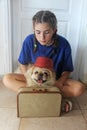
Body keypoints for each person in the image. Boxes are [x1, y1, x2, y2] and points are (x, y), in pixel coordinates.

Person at [3, 10, 85, 112]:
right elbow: (22, 63)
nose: (42, 37)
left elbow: (67, 70)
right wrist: (28, 78)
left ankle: (38, 96)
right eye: (38, 32)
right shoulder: (29, 41)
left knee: (79, 88)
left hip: (54, 81)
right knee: (7, 79)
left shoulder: (64, 44)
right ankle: (53, 98)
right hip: (34, 81)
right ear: (33, 29)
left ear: (54, 30)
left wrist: (59, 82)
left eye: (46, 32)